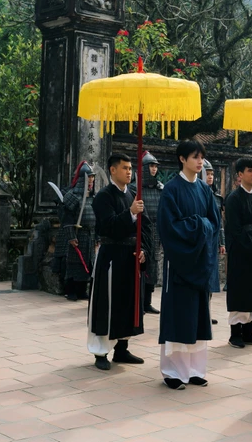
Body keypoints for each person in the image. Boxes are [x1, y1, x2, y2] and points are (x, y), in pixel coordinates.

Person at [157, 140, 221, 389]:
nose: (200, 162)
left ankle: (195, 369)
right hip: (181, 262)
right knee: (178, 316)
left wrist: (201, 228)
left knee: (198, 317)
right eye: (195, 157)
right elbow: (169, 227)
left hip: (199, 261)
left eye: (201, 157)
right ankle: (173, 372)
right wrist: (199, 225)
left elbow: (214, 224)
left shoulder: (205, 191)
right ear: (182, 159)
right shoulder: (171, 190)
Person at [87, 153, 152, 371]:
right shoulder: (103, 197)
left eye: (130, 168)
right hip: (111, 256)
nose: (129, 172)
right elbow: (108, 227)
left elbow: (145, 227)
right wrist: (130, 213)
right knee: (107, 302)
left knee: (128, 302)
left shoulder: (133, 195)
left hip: (131, 256)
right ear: (113, 170)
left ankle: (122, 348)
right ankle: (100, 350)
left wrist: (143, 249)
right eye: (124, 167)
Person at [224, 157, 252, 349]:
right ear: (240, 175)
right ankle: (236, 333)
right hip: (241, 252)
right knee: (240, 291)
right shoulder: (233, 199)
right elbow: (235, 229)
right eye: (250, 170)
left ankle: (250, 331)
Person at [55, 162, 97, 302]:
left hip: (89, 234)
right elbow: (67, 219)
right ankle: (70, 291)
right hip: (77, 234)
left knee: (88, 263)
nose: (91, 180)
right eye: (88, 177)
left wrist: (97, 237)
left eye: (92, 177)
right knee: (74, 263)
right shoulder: (72, 196)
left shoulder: (93, 197)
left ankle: (81, 290)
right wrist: (71, 237)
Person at [141, 151, 163, 314]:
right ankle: (138, 302)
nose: (154, 169)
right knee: (140, 267)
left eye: (155, 166)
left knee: (153, 267)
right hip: (141, 231)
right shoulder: (135, 189)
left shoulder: (161, 189)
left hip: (156, 232)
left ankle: (147, 302)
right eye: (151, 166)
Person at [204, 159, 224, 325]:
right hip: (200, 242)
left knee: (210, 280)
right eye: (207, 173)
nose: (210, 177)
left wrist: (221, 242)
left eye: (211, 174)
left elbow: (220, 223)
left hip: (213, 242)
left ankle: (207, 312)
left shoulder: (217, 198)